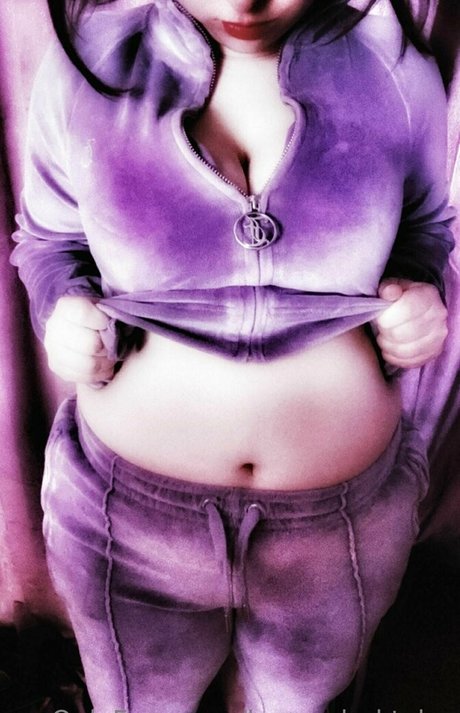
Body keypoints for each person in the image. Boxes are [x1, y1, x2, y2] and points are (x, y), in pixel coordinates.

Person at [10, 0, 455, 711]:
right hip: (128, 530)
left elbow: (427, 229)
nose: (245, 2)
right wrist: (60, 307)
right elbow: (49, 242)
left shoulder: (394, 67)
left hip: (340, 529)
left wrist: (421, 293)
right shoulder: (89, 64)